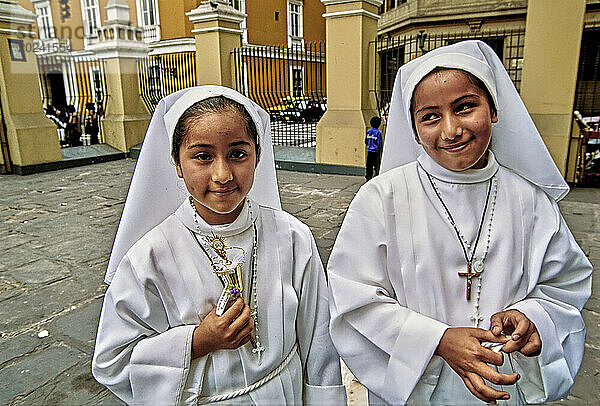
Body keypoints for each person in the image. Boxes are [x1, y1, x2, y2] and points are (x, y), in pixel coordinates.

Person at [327, 40, 592, 405]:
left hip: (503, 381)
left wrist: (531, 317)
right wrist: (437, 339)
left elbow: (565, 283)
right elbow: (353, 298)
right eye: (430, 116)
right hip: (418, 389)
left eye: (465, 107)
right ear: (414, 128)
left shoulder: (529, 199)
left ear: (494, 109)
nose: (451, 130)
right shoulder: (382, 198)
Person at [91, 86, 346, 405]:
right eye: (203, 156)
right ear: (177, 163)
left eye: (238, 154)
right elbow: (112, 363)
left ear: (258, 156)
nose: (223, 174)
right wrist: (197, 341)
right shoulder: (149, 257)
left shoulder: (293, 237)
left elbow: (319, 340)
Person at [365, 116, 383, 180]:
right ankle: (376, 178)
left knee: (369, 166)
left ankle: (368, 177)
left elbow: (366, 141)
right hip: (376, 152)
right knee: (377, 166)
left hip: (369, 151)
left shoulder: (368, 131)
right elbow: (379, 143)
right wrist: (381, 152)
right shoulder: (378, 132)